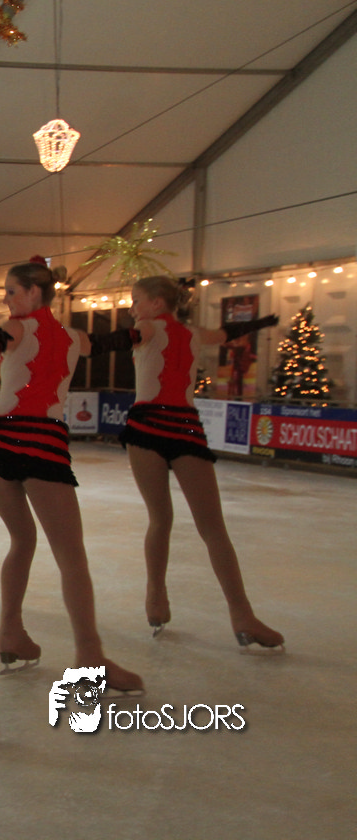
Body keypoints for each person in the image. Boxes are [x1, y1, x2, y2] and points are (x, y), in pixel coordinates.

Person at [0, 258, 144, 695]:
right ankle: (90, 656)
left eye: (11, 291)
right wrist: (148, 329)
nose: (6, 299)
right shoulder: (71, 337)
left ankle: (11, 633)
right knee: (71, 556)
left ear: (33, 293)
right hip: (39, 444)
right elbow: (112, 341)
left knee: (23, 540)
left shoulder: (17, 329)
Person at [107, 276, 283, 650]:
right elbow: (227, 332)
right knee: (195, 523)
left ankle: (189, 602)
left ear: (157, 303)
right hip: (167, 427)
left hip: (164, 426)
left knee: (178, 520)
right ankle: (167, 596)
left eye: (136, 300)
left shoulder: (151, 327)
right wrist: (261, 322)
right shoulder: (186, 332)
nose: (132, 307)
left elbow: (124, 338)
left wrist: (81, 342)